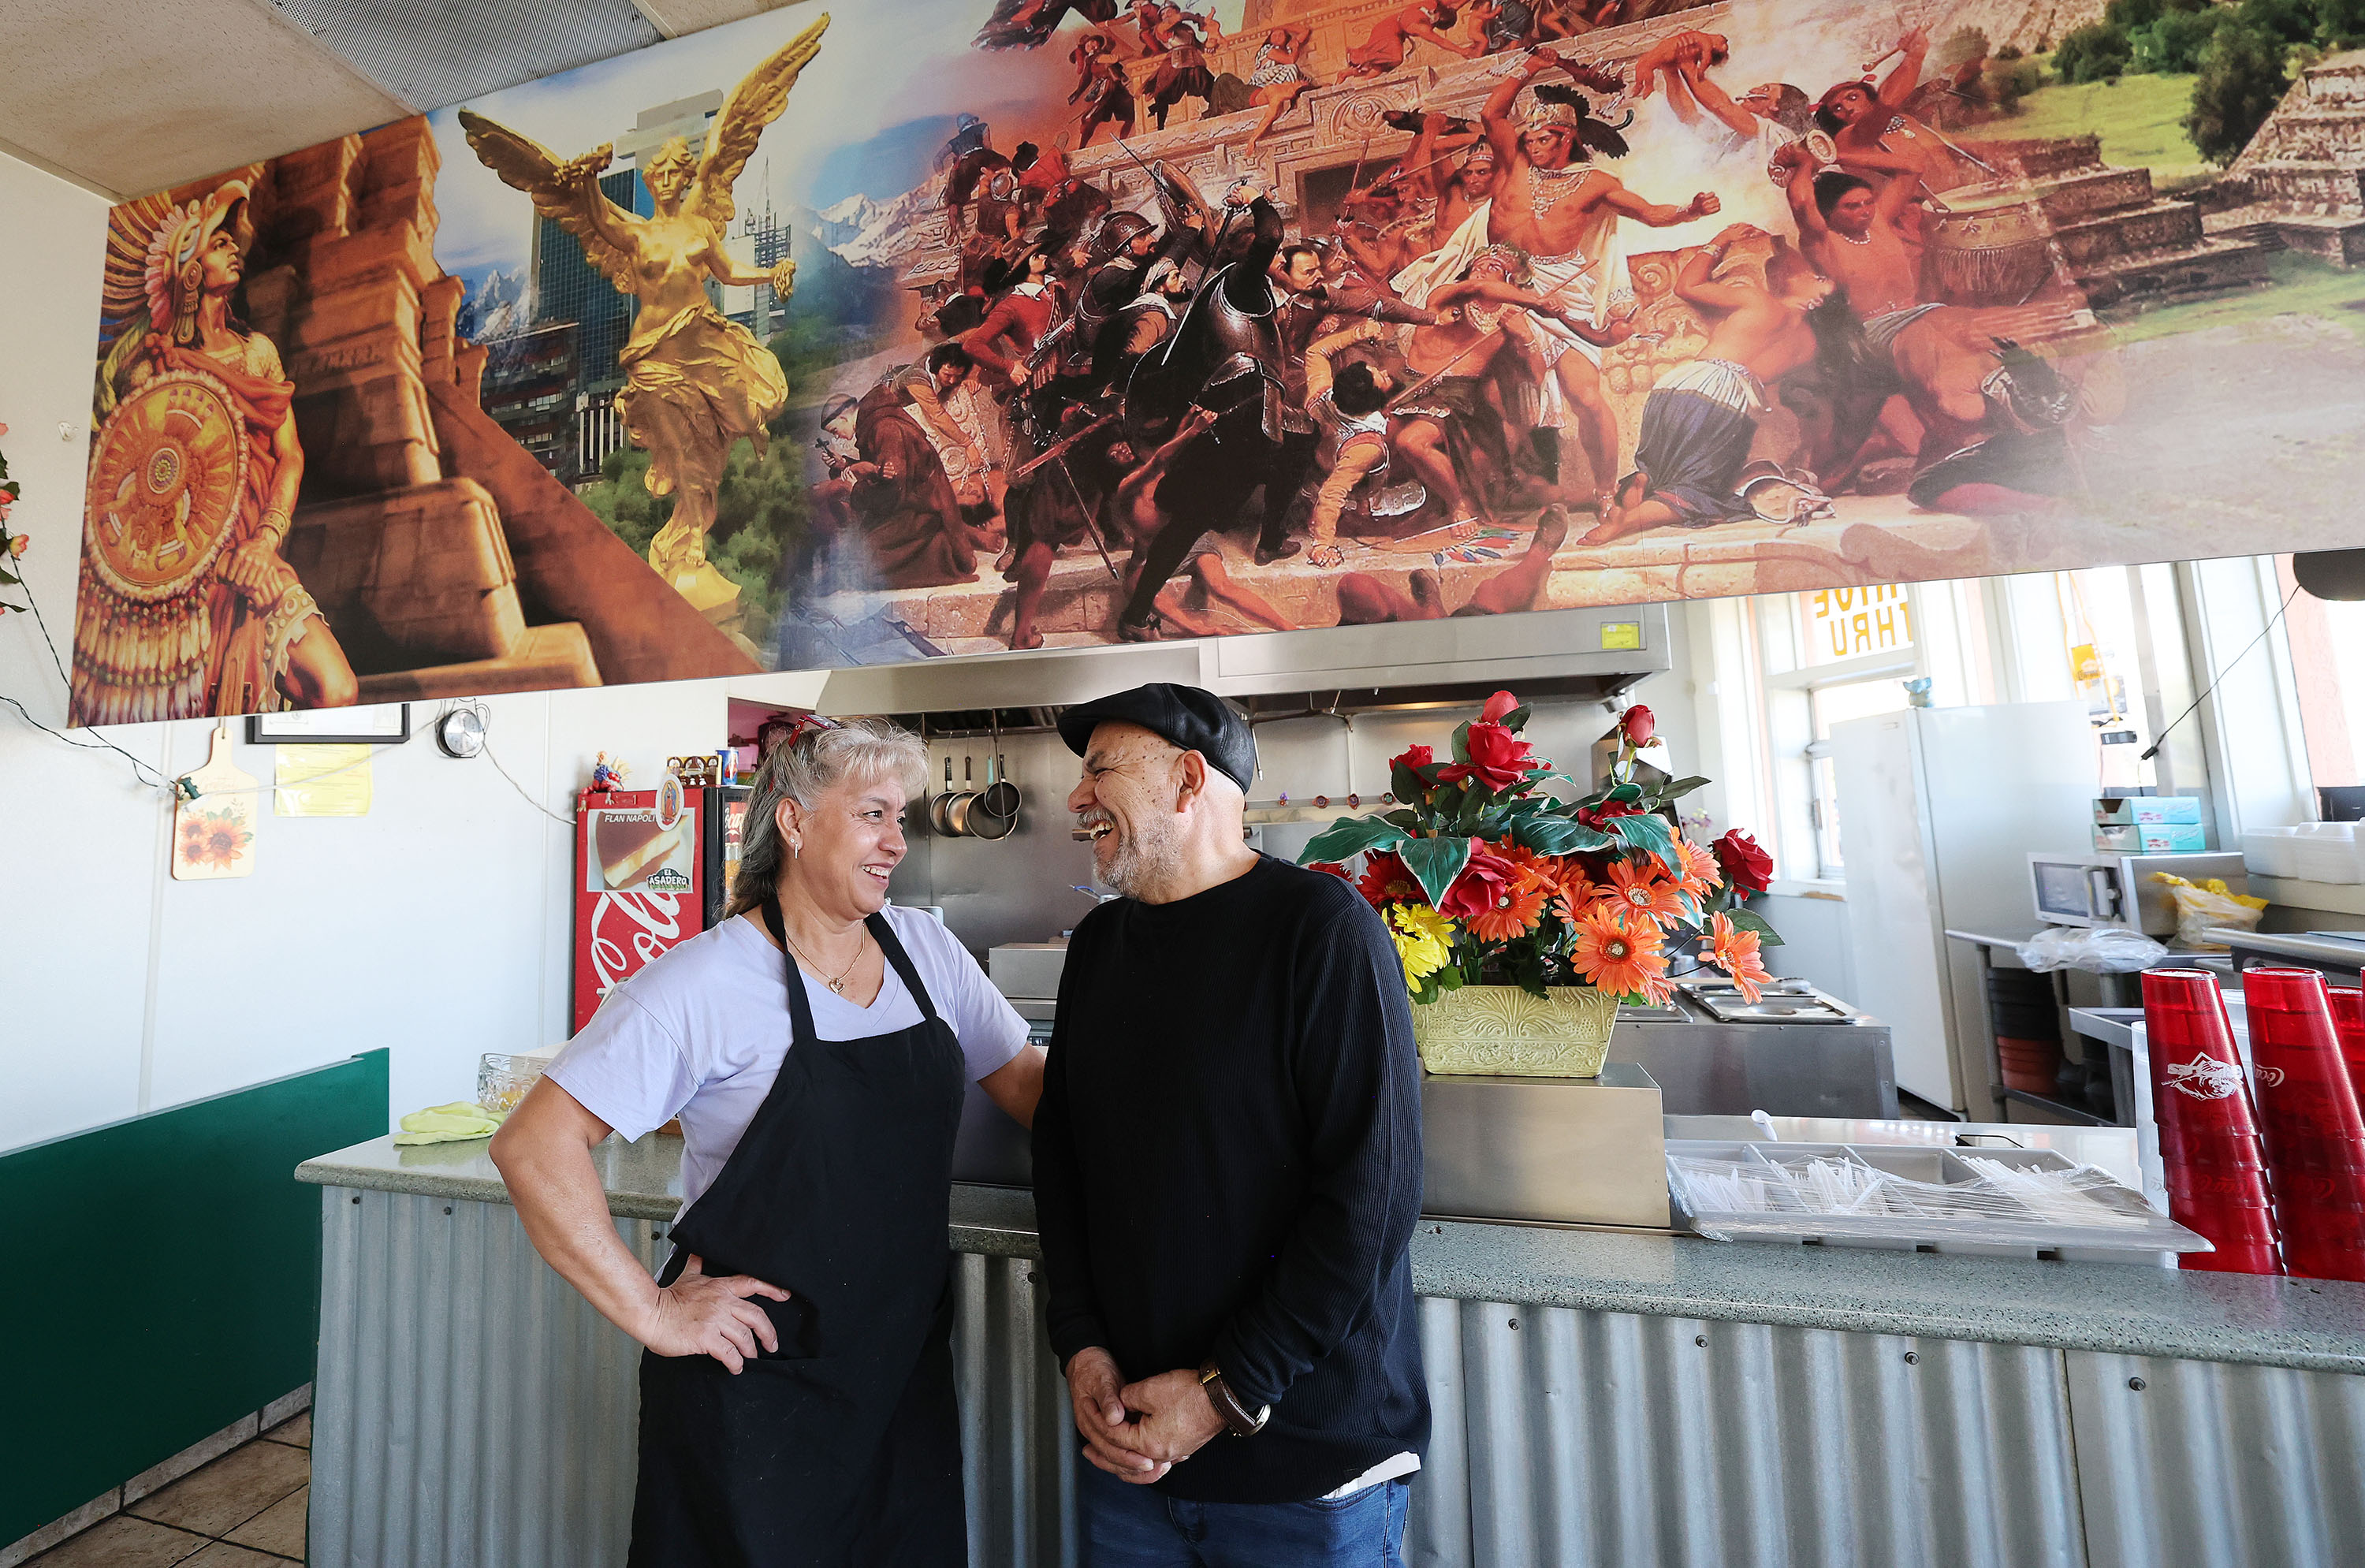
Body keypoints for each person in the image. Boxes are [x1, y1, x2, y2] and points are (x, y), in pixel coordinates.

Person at [491, 717, 1047, 1566]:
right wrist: (653, 1310)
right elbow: (533, 1147)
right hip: (756, 1391)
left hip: (899, 1378)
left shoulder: (927, 952)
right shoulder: (703, 982)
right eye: (873, 815)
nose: (898, 841)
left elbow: (1033, 1091)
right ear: (792, 821)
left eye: (902, 817)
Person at [1035, 683, 1426, 1562]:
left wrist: (1224, 1393)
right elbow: (1064, 1162)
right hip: (1131, 1458)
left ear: (1186, 779)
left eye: (1101, 770)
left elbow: (1370, 1199)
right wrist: (1082, 1345)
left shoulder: (1323, 932)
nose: (1076, 797)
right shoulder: (1100, 949)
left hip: (1299, 1477)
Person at [80, 179, 358, 724]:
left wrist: (265, 542)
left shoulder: (257, 355)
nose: (233, 247)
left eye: (233, 239)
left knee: (337, 688)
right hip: (179, 583)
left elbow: (291, 456)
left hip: (253, 558)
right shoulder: (152, 370)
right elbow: (132, 490)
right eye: (217, 241)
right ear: (187, 270)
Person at [1397, 48, 1719, 510]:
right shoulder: (1516, 164)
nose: (1531, 146)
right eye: (1528, 139)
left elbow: (1649, 213)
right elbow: (1492, 112)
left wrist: (1689, 211)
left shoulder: (1595, 183)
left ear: (1565, 138)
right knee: (1472, 379)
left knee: (1585, 396)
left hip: (1563, 288)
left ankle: (1606, 492)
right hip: (1493, 278)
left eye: (1543, 139)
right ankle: (1488, 485)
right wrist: (1529, 68)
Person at [1588, 229, 1835, 543]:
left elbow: (1686, 286)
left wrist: (1719, 240)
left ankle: (1642, 483)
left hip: (1678, 384)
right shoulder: (1807, 344)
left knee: (1669, 474)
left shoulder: (1755, 300)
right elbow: (1762, 384)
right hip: (1723, 398)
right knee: (1699, 491)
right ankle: (1626, 523)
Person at [1343, 2, 1481, 79]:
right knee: (1396, 58)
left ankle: (1345, 74)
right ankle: (1362, 58)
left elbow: (1454, 6)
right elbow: (1440, 41)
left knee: (1378, 70)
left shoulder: (1435, 7)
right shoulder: (1420, 26)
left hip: (1393, 31)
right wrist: (1462, 50)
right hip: (1387, 31)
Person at [1244, 24, 1314, 155]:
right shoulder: (1267, 49)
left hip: (1279, 80)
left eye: (1281, 35)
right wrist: (1295, 48)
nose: (1277, 37)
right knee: (1292, 68)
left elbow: (1305, 30)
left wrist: (1284, 26)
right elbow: (1290, 60)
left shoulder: (1283, 93)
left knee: (1299, 72)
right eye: (1274, 35)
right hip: (1263, 80)